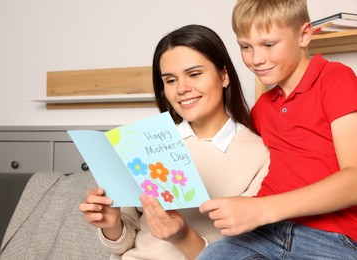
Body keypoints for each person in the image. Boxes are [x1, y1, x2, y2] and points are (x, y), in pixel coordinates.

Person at [79, 24, 269, 260]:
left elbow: (251, 254)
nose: (182, 89)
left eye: (194, 74)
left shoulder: (261, 155)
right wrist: (111, 224)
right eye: (170, 80)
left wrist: (183, 237)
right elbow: (122, 243)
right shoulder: (143, 142)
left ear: (224, 75)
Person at [198, 0, 357, 259]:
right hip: (263, 233)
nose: (256, 59)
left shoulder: (335, 79)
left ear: (304, 35)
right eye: (245, 47)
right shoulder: (262, 107)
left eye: (269, 45)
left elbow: (354, 181)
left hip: (330, 238)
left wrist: (262, 209)